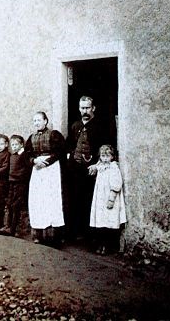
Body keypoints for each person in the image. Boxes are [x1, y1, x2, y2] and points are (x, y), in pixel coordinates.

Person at [25, 111, 66, 246]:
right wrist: (34, 161)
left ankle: (54, 237)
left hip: (51, 169)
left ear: (45, 121)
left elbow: (60, 152)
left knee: (51, 199)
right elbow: (27, 155)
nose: (37, 123)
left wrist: (47, 162)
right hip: (37, 170)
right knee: (37, 199)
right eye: (34, 121)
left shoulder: (54, 135)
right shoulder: (31, 138)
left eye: (39, 120)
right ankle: (38, 234)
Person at [66, 95, 105, 241]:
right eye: (82, 108)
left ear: (93, 108)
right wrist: (70, 156)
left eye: (88, 108)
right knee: (74, 199)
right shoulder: (75, 125)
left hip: (92, 169)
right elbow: (69, 143)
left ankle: (90, 236)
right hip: (75, 168)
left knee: (89, 201)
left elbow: (106, 147)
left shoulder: (100, 126)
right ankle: (75, 233)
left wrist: (97, 163)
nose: (85, 111)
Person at [88, 144, 126, 254]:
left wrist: (111, 199)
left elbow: (116, 185)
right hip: (100, 198)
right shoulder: (101, 168)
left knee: (109, 222)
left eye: (108, 156)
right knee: (101, 221)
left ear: (112, 157)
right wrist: (95, 167)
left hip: (109, 198)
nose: (105, 158)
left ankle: (107, 246)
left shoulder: (114, 168)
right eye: (103, 156)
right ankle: (100, 244)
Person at [0, 134, 30, 237]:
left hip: (20, 184)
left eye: (16, 145)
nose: (14, 147)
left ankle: (14, 228)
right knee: (9, 204)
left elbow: (27, 169)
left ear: (21, 145)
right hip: (11, 182)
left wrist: (22, 179)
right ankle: (7, 226)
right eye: (12, 145)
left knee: (16, 206)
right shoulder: (12, 155)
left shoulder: (24, 155)